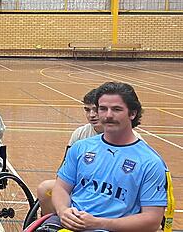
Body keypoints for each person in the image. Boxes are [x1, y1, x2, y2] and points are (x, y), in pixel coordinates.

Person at [48, 82, 170, 231]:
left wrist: (99, 223)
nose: (108, 115)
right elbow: (61, 187)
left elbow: (152, 220)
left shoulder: (150, 162)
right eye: (103, 109)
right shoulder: (81, 147)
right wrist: (63, 211)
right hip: (70, 225)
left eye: (116, 109)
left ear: (132, 113)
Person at [36, 88, 143, 215]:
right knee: (45, 188)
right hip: (82, 185)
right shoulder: (80, 134)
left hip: (114, 192)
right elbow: (64, 171)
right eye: (87, 110)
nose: (91, 115)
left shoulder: (138, 146)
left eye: (95, 109)